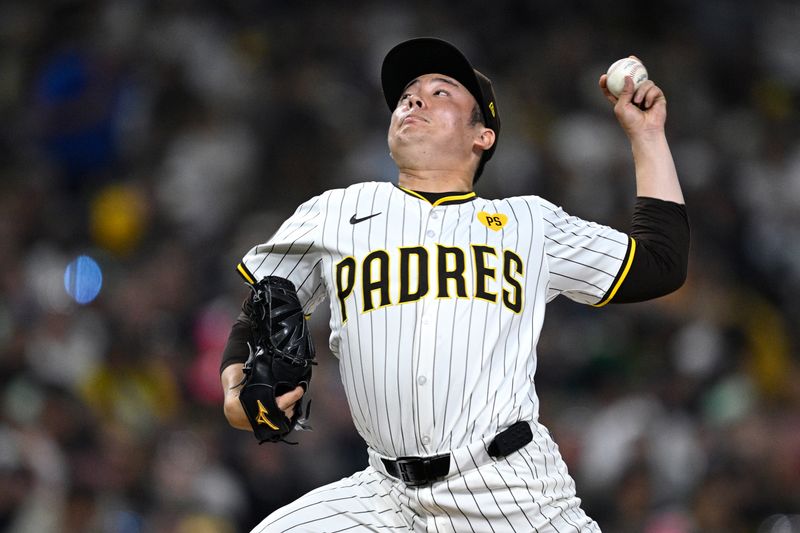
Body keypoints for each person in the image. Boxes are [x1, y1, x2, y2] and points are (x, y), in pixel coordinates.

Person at [220, 37, 689, 532]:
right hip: (385, 495)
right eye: (408, 94)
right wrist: (235, 394)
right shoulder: (333, 212)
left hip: (510, 491)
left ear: (482, 135)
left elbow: (661, 263)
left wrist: (647, 136)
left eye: (440, 91)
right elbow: (261, 309)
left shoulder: (527, 223)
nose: (414, 98)